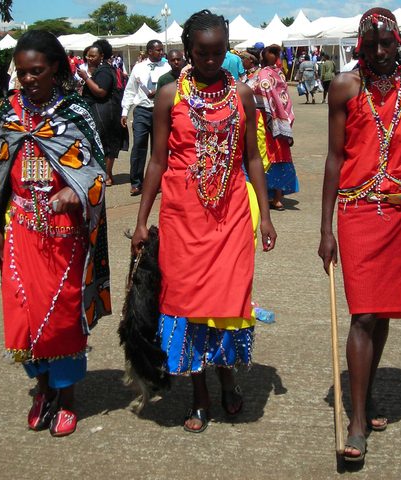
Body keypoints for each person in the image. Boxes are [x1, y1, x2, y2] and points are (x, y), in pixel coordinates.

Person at [130, 9, 277, 434]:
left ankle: (227, 374)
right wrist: (142, 221)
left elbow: (252, 158)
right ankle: (199, 393)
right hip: (181, 216)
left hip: (231, 213)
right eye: (201, 52)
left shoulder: (243, 95)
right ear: (187, 50)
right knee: (188, 304)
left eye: (218, 51)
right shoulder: (168, 96)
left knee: (228, 299)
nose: (210, 60)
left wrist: (264, 215)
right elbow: (157, 161)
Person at [318, 8, 401, 463]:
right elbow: (334, 159)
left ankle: (365, 399)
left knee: (383, 313)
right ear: (359, 47)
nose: (381, 53)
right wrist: (325, 228)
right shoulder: (345, 88)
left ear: (399, 43)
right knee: (363, 313)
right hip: (356, 213)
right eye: (372, 47)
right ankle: (355, 420)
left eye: (387, 44)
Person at [0, 30, 111, 437]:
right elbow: (1, 173)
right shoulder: (10, 111)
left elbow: (93, 169)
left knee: (60, 316)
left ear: (55, 67)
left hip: (63, 234)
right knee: (24, 313)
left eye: (36, 71)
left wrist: (73, 190)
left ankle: (68, 396)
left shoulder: (74, 112)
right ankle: (43, 389)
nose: (28, 79)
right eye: (22, 72)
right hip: (19, 228)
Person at [121, 39, 171, 196]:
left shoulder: (167, 66)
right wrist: (124, 111)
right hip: (142, 110)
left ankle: (157, 181)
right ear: (150, 51)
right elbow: (130, 90)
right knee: (139, 146)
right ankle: (136, 182)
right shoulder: (139, 67)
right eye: (158, 50)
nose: (161, 52)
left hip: (160, 112)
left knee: (159, 148)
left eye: (162, 50)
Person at [252, 44, 298, 210]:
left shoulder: (263, 74)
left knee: (263, 155)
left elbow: (260, 91)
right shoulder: (279, 74)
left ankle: (268, 197)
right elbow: (283, 98)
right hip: (281, 120)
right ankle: (277, 197)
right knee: (279, 155)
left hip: (265, 120)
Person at [78, 42, 121, 186]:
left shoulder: (104, 71)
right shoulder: (99, 70)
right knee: (101, 143)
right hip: (98, 109)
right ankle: (103, 174)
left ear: (101, 56)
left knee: (106, 143)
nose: (89, 58)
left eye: (92, 56)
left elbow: (101, 91)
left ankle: (107, 175)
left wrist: (86, 78)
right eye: (87, 56)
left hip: (104, 111)